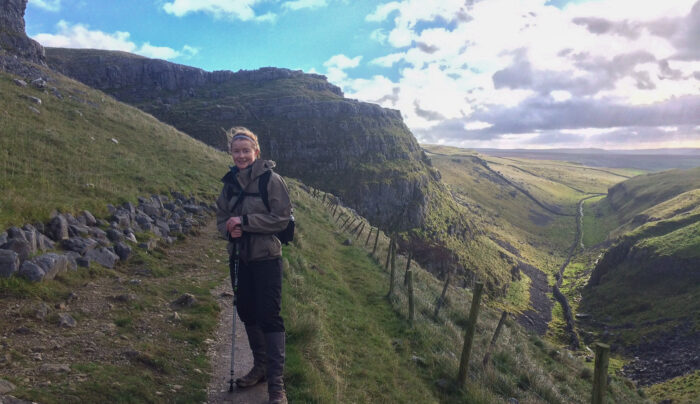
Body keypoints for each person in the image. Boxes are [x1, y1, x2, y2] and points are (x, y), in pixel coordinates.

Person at [216, 126, 292, 404]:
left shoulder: (271, 180)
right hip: (239, 258)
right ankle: (260, 368)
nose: (241, 155)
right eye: (236, 151)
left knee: (270, 315)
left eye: (246, 150)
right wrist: (229, 230)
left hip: (267, 258)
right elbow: (221, 218)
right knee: (247, 311)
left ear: (256, 152)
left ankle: (276, 385)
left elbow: (282, 219)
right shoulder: (229, 184)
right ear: (231, 153)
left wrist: (245, 223)